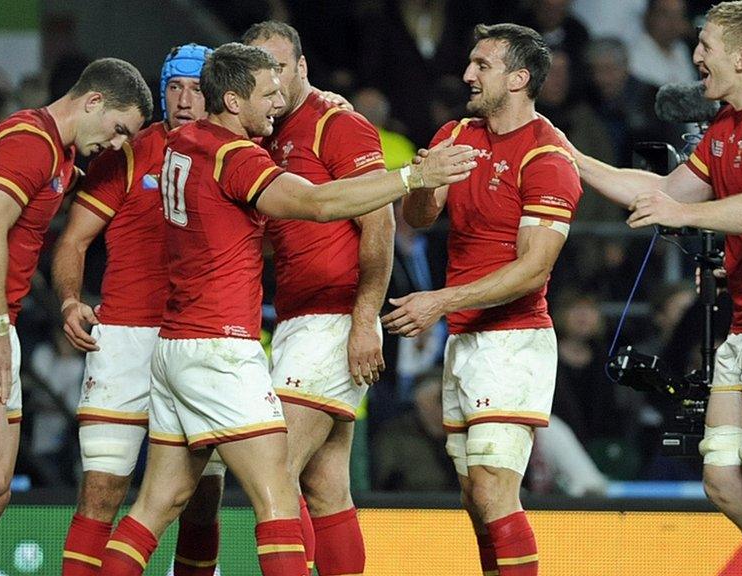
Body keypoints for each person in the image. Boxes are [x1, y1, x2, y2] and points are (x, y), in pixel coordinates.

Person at [97, 42, 476, 575]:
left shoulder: (182, 144)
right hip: (222, 347)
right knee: (278, 496)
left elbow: (233, 227)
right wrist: (413, 177)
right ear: (231, 99)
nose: (278, 100)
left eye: (283, 84)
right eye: (266, 91)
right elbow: (318, 204)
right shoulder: (236, 156)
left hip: (174, 347)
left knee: (158, 503)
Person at [570, 3, 742, 574]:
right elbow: (662, 188)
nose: (695, 56)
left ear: (741, 56)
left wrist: (681, 212)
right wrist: (569, 156)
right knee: (723, 480)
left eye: (706, 46)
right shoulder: (727, 125)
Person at [0, 58, 151, 576]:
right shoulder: (31, 142)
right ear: (93, 102)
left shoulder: (57, 152)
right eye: (118, 129)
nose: (116, 143)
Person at [386, 23, 582, 576]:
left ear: (519, 78)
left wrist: (439, 301)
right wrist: (425, 181)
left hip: (515, 342)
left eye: (483, 65)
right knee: (476, 498)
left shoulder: (547, 156)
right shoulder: (459, 133)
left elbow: (533, 268)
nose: (468, 74)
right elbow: (419, 220)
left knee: (496, 491)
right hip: (466, 337)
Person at [51, 45, 226, 576]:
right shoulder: (129, 151)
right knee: (101, 492)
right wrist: (68, 299)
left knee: (201, 499)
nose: (185, 99)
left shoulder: (237, 153)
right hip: (125, 337)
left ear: (220, 93)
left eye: (197, 87)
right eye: (174, 87)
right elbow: (73, 242)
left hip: (202, 338)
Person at [243, 21, 394, 575]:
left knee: (273, 471)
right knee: (326, 486)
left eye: (280, 67)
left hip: (333, 322)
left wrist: (364, 320)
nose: (273, 81)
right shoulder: (266, 133)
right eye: (261, 72)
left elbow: (380, 224)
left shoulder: (338, 123)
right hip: (297, 320)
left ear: (303, 68)